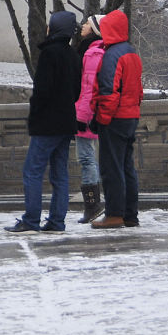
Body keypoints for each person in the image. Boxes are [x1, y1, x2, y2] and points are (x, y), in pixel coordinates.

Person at [6, 11, 82, 233]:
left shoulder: (49, 54)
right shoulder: (73, 55)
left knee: (32, 171)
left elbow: (42, 91)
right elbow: (77, 91)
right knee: (60, 174)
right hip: (66, 122)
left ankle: (31, 220)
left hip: (47, 123)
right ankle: (57, 221)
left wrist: (36, 115)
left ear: (54, 28)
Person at [89, 9, 144, 229]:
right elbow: (138, 89)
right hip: (131, 116)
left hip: (115, 118)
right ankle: (130, 214)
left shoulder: (112, 55)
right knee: (127, 167)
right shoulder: (131, 52)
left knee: (111, 168)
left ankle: (114, 214)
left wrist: (102, 118)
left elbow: (109, 91)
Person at [75, 14, 104, 223]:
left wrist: (81, 115)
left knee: (86, 158)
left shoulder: (92, 52)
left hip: (87, 113)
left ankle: (92, 205)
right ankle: (94, 204)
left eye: (87, 23)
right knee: (90, 158)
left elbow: (88, 89)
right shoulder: (100, 49)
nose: (83, 26)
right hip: (92, 111)